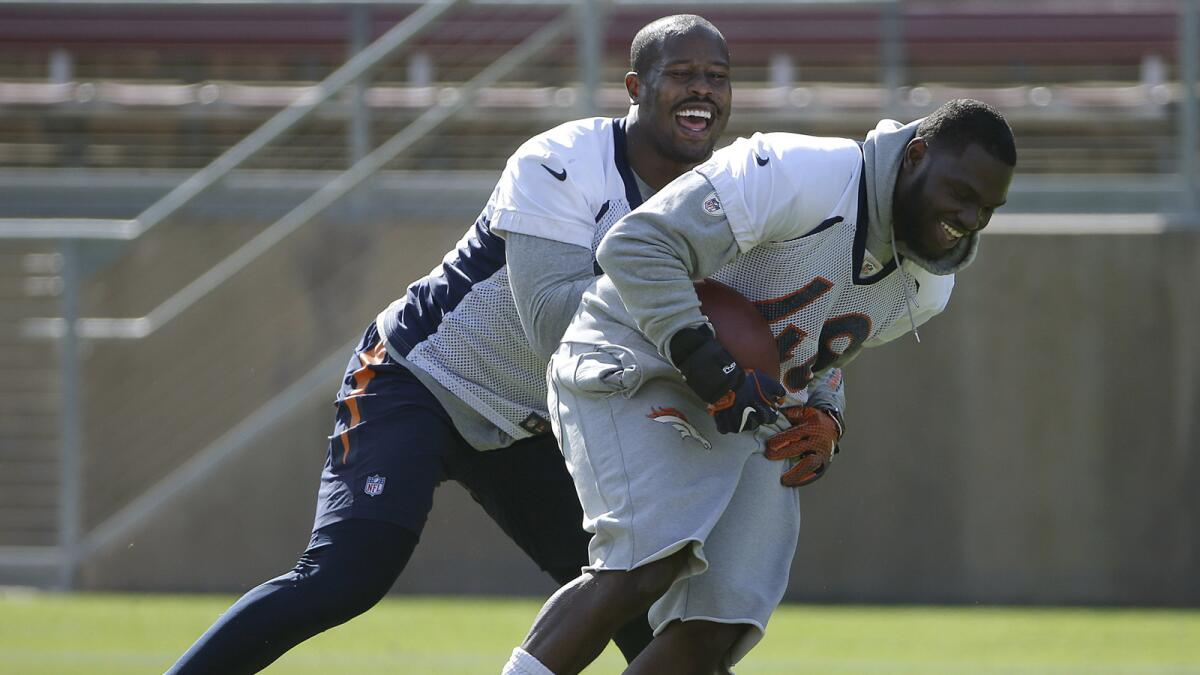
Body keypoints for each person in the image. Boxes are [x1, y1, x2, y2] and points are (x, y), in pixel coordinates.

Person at [168, 14, 811, 674]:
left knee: (646, 611)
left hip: (538, 425)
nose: (701, 90)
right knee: (346, 575)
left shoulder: (728, 199)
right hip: (424, 379)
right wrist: (697, 354)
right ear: (635, 87)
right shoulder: (564, 162)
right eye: (681, 75)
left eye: (717, 77)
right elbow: (556, 326)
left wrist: (815, 402)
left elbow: (787, 311)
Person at [502, 98, 1017, 675]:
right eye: (962, 194)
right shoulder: (801, 172)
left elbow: (819, 348)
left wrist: (828, 415)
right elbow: (635, 245)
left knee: (719, 625)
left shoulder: (927, 289)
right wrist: (705, 359)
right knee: (644, 560)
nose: (969, 221)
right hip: (637, 354)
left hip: (744, 403)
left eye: (987, 209)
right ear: (917, 155)